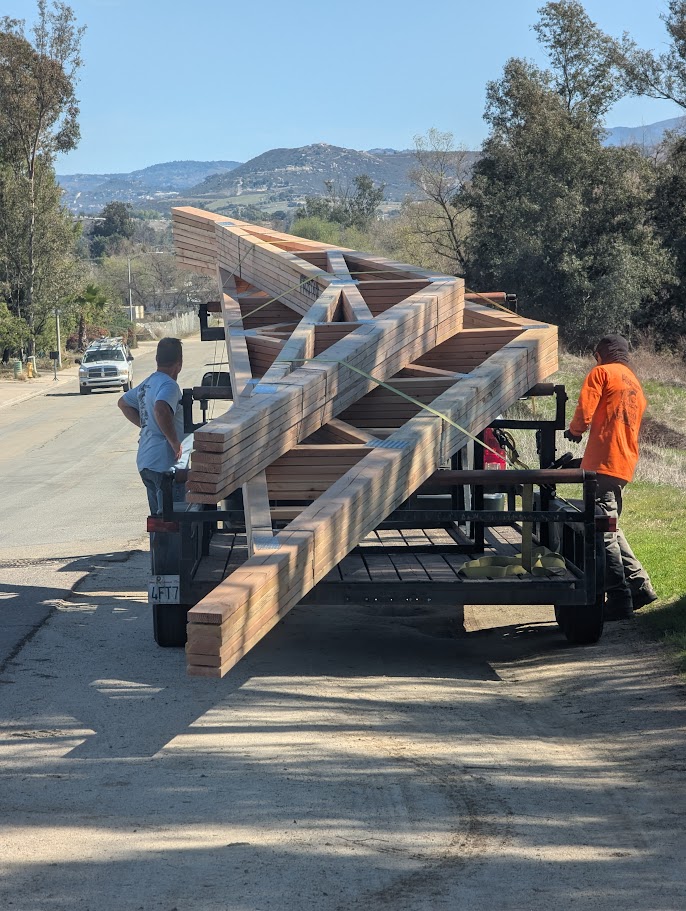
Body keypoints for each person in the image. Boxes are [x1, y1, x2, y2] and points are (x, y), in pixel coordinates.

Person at [564, 334, 657, 619]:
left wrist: (575, 432)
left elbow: (585, 409)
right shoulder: (634, 384)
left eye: (596, 355)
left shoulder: (602, 373)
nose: (596, 360)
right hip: (622, 465)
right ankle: (639, 586)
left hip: (602, 464)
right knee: (611, 528)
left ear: (603, 353)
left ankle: (619, 597)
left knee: (603, 534)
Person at [118, 337, 185, 515]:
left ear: (157, 360)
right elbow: (161, 409)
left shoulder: (148, 383)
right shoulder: (169, 385)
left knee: (159, 520)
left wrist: (146, 425)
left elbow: (123, 403)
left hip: (146, 461)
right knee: (173, 519)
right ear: (180, 363)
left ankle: (158, 544)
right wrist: (174, 442)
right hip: (164, 464)